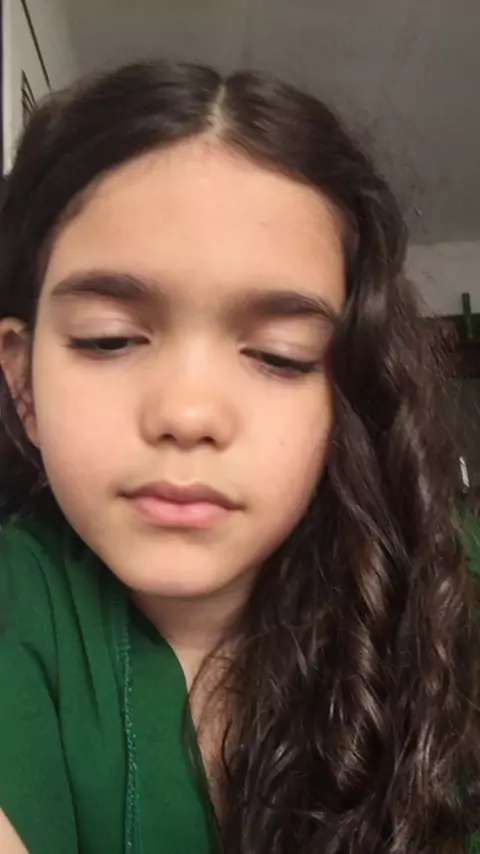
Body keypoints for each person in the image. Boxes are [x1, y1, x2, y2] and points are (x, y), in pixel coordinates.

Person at [0, 59, 478, 854]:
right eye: (109, 340)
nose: (188, 414)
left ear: (348, 394)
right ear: (23, 385)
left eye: (280, 356)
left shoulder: (452, 601)